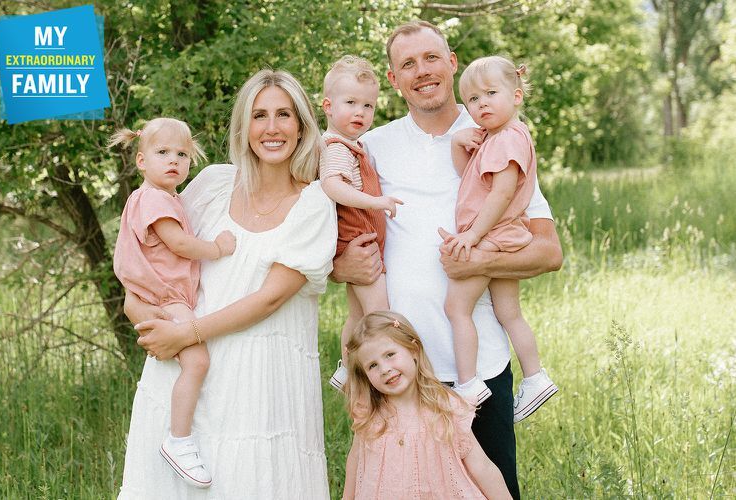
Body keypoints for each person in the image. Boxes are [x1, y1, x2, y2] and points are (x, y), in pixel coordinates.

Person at [332, 21, 563, 499]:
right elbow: (335, 233)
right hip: (395, 373)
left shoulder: (497, 134)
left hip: (477, 370)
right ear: (394, 80)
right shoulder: (373, 146)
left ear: (452, 61)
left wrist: (476, 262)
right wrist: (340, 267)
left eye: (431, 58)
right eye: (408, 64)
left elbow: (548, 251)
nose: (422, 71)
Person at [117, 69, 336, 499]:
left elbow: (270, 298)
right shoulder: (212, 184)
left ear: (302, 126)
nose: (271, 128)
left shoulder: (315, 203)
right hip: (183, 373)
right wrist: (144, 316)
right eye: (259, 115)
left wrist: (185, 331)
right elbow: (151, 261)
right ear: (243, 126)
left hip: (261, 380)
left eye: (284, 115)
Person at [110, 117, 237, 488]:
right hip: (165, 295)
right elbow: (179, 244)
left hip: (164, 294)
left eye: (182, 154)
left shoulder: (165, 198)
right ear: (140, 161)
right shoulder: (152, 199)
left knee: (194, 361)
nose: (174, 160)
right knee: (197, 361)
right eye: (162, 152)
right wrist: (217, 248)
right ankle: (178, 440)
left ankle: (179, 438)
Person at [443, 56, 558, 418]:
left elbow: (500, 194)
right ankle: (536, 376)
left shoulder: (506, 140)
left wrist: (473, 237)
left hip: (492, 235)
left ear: (517, 96)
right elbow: (472, 180)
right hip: (505, 234)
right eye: (473, 99)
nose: (483, 104)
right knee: (508, 312)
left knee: (456, 307)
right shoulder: (500, 138)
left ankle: (467, 385)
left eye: (492, 93)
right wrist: (456, 145)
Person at [342, 311, 512, 500]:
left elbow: (482, 467)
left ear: (413, 350)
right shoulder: (369, 413)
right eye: (372, 365)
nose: (385, 369)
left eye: (390, 355)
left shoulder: (446, 407)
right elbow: (355, 462)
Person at [319, 55, 403, 391]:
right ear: (328, 105)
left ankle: (345, 369)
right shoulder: (338, 148)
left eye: (367, 105)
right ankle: (370, 377)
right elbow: (332, 186)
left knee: (356, 317)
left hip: (362, 241)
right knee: (381, 317)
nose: (360, 113)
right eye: (350, 103)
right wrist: (376, 202)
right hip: (361, 244)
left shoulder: (353, 146)